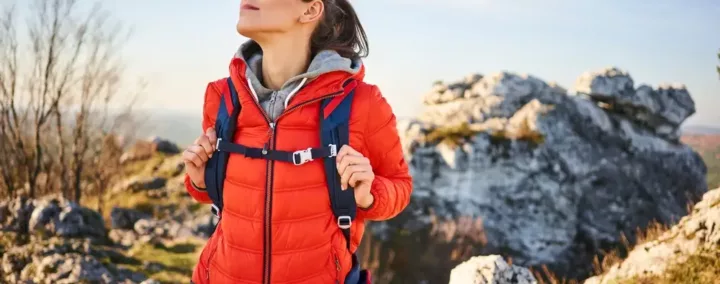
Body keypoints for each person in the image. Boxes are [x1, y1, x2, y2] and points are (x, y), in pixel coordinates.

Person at [181, 1, 413, 283]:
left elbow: (400, 185)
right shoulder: (224, 96)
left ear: (310, 10)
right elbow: (215, 196)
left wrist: (368, 193)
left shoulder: (362, 103)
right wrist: (200, 180)